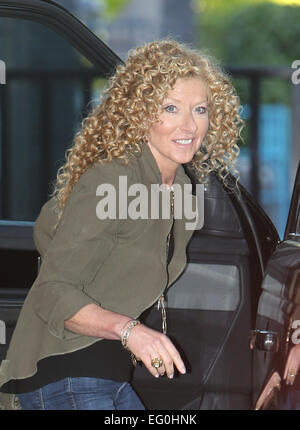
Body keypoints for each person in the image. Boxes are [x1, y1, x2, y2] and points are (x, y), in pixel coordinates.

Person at [0, 39, 243, 410]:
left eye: (200, 109)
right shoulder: (114, 179)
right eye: (171, 108)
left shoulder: (178, 190)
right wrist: (132, 332)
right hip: (68, 373)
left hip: (106, 375)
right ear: (140, 112)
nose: (189, 125)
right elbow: (52, 290)